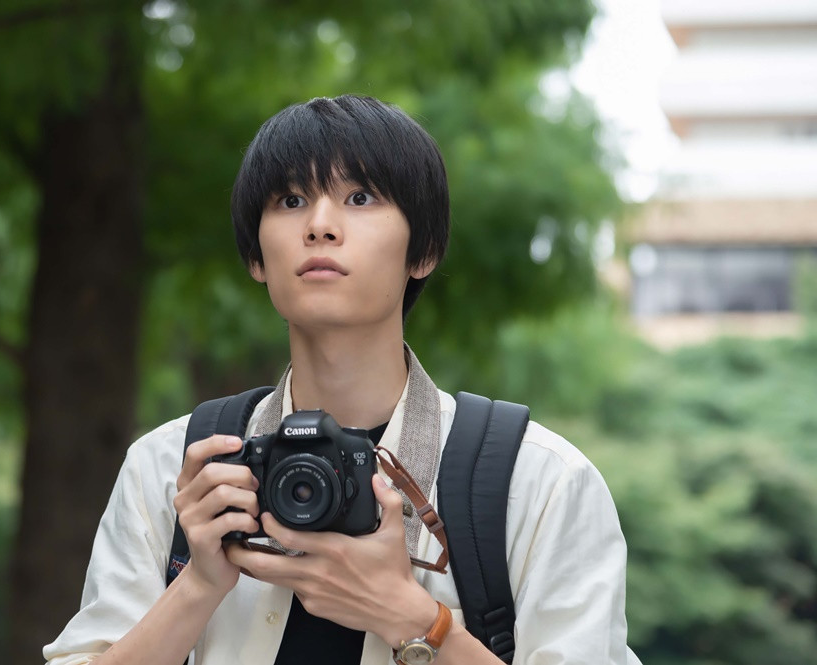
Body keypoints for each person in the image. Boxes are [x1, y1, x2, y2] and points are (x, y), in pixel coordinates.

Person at [43, 94, 641, 665]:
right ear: (256, 257)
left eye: (360, 197)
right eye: (290, 200)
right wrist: (197, 585)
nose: (320, 225)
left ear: (424, 251)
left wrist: (412, 618)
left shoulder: (535, 483)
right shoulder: (175, 468)